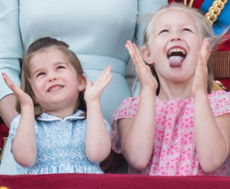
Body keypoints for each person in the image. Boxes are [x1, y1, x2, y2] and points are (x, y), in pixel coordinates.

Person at [0, 0, 167, 174]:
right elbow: (3, 62)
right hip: (31, 136)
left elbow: (153, 58)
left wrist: (126, 141)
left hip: (120, 122)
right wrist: (25, 131)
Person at [111, 3, 230, 176]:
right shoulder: (132, 109)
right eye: (164, 31)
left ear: (204, 49)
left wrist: (200, 95)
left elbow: (211, 161)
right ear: (148, 55)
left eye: (186, 30)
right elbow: (138, 159)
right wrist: (147, 91)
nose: (175, 37)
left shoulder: (221, 104)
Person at [2, 37, 112, 174]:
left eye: (60, 68)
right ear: (32, 93)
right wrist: (27, 108)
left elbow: (98, 155)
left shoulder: (92, 122)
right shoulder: (25, 123)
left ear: (80, 82)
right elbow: (25, 159)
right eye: (41, 74)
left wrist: (93, 102)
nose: (51, 77)